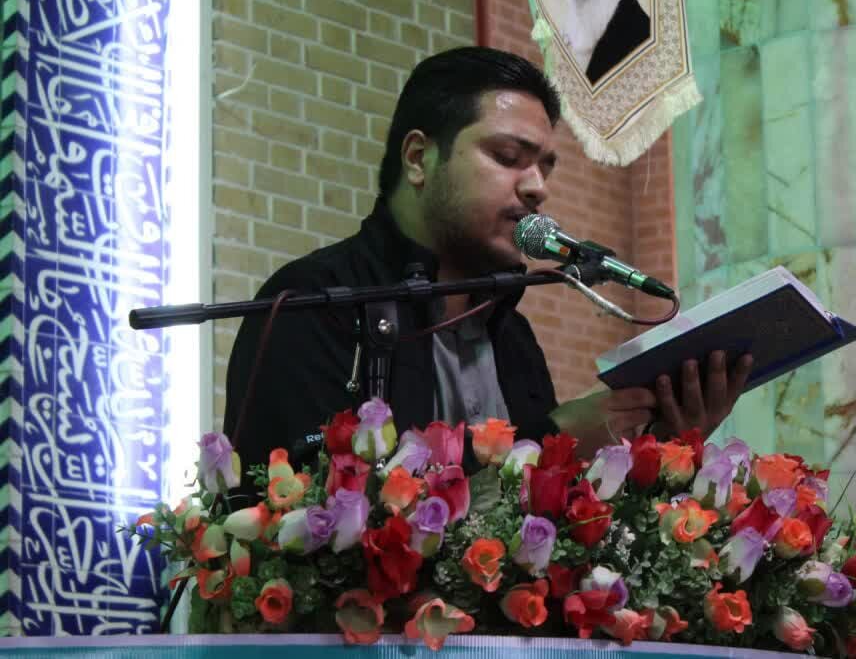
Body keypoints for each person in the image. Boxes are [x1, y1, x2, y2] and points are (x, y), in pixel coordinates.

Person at [222, 47, 748, 493]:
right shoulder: (312, 303)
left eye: (544, 166)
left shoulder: (513, 336)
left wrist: (659, 452)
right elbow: (312, 522)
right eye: (508, 156)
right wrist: (553, 440)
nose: (537, 187)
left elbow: (543, 536)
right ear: (418, 158)